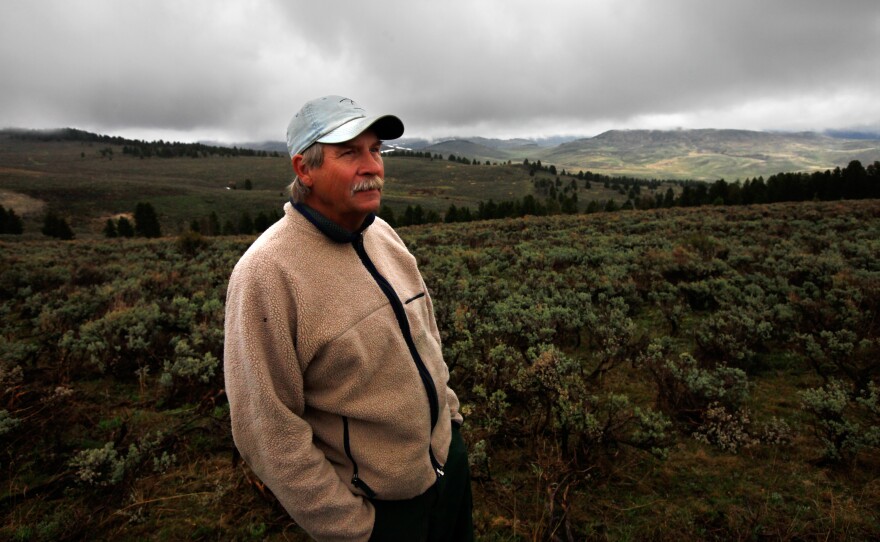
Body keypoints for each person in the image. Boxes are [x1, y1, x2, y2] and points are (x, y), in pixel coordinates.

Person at [224, 95, 473, 542]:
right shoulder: (266, 274)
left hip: (448, 471)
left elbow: (426, 336)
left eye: (375, 150)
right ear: (305, 170)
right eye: (349, 153)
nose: (372, 166)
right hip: (381, 512)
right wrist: (353, 528)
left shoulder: (383, 233)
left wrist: (451, 425)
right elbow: (267, 430)